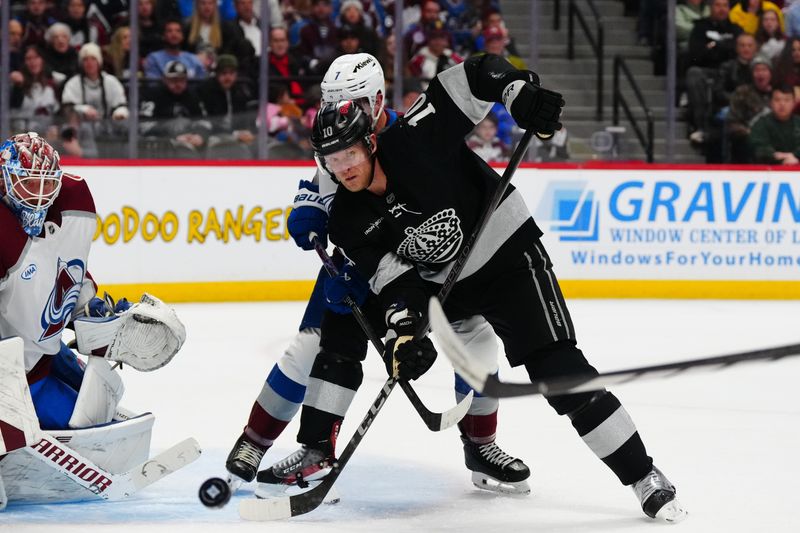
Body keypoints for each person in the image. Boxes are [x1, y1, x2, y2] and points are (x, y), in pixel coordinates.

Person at [302, 52, 687, 523]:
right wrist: (404, 332)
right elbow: (395, 284)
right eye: (332, 160)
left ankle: (643, 475)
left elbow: (473, 74)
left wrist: (516, 91)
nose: (342, 169)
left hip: (507, 262)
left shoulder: (418, 135)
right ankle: (473, 447)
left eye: (350, 155)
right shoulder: (347, 215)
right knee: (429, 346)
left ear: (370, 143)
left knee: (560, 373)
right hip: (448, 286)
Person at [225, 52, 532, 498]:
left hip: (429, 264)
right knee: (311, 346)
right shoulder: (343, 133)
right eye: (330, 103)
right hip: (362, 260)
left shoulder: (414, 134)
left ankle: (481, 446)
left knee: (477, 342)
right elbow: (321, 179)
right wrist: (308, 207)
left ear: (377, 98)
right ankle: (260, 441)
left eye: (349, 102)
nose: (338, 113)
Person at [0, 131, 189, 506]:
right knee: (86, 429)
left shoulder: (75, 199)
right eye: (27, 184)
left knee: (101, 413)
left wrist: (88, 307)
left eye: (44, 184)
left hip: (45, 351)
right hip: (13, 367)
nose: (37, 196)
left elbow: (66, 268)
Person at [60, 43, 129, 158]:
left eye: (93, 59)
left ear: (99, 62)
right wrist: (83, 109)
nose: (89, 63)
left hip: (108, 129)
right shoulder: (73, 83)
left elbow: (121, 104)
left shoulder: (111, 82)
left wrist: (119, 113)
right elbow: (67, 107)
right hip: (82, 131)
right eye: (85, 60)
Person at [749, 84, 800, 164]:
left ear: (794, 103)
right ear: (770, 103)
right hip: (768, 170)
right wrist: (775, 156)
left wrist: (795, 156)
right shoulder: (761, 123)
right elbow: (757, 147)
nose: (782, 104)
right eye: (777, 100)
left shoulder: (798, 122)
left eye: (787, 100)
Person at [143, 18, 208, 79]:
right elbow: (153, 86)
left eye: (178, 31)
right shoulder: (154, 59)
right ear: (163, 36)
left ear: (182, 36)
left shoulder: (193, 60)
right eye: (169, 31)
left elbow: (201, 85)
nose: (174, 34)